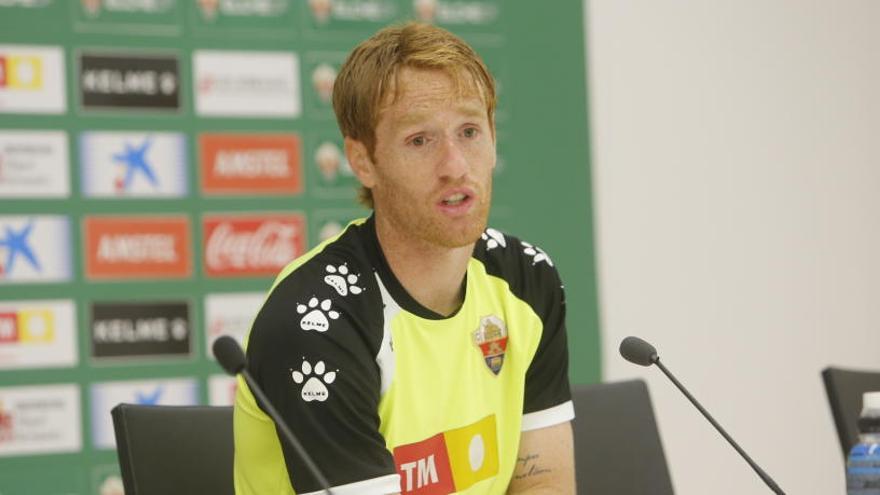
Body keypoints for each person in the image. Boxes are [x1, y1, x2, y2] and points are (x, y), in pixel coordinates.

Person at [233, 22, 575, 495]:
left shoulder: (527, 280)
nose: (455, 165)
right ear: (363, 161)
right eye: (420, 140)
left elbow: (545, 486)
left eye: (470, 131)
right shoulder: (316, 322)